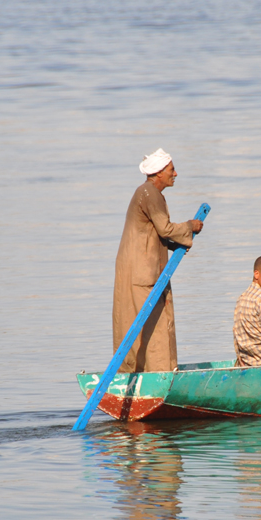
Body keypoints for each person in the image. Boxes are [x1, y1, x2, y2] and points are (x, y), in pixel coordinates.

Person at [112, 148, 204, 373]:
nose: (175, 174)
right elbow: (164, 228)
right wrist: (190, 226)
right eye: (172, 170)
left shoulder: (148, 193)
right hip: (142, 273)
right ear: (159, 173)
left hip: (142, 270)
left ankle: (145, 374)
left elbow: (155, 233)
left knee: (148, 324)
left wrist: (176, 243)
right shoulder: (149, 193)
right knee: (156, 325)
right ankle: (157, 376)